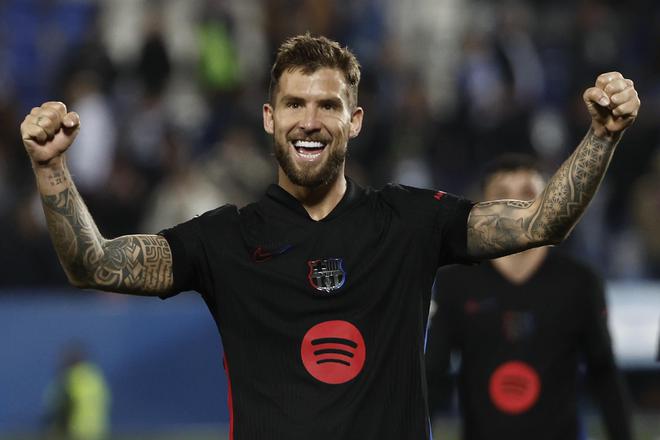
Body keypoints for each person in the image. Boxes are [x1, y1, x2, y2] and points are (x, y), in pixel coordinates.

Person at [20, 34, 639, 439]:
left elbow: (542, 222)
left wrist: (602, 135)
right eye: (294, 104)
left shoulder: (411, 221)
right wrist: (51, 170)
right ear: (270, 118)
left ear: (355, 120)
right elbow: (94, 265)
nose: (309, 121)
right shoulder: (224, 239)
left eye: (328, 105)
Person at [425, 154, 633, 440]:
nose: (516, 204)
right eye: (502, 194)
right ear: (481, 206)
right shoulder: (456, 283)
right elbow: (433, 375)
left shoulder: (579, 281)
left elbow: (604, 373)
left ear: (548, 202)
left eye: (527, 193)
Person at [42, 344, 111, 440]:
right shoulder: (96, 377)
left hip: (74, 431)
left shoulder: (68, 379)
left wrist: (53, 428)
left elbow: (61, 407)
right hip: (97, 431)